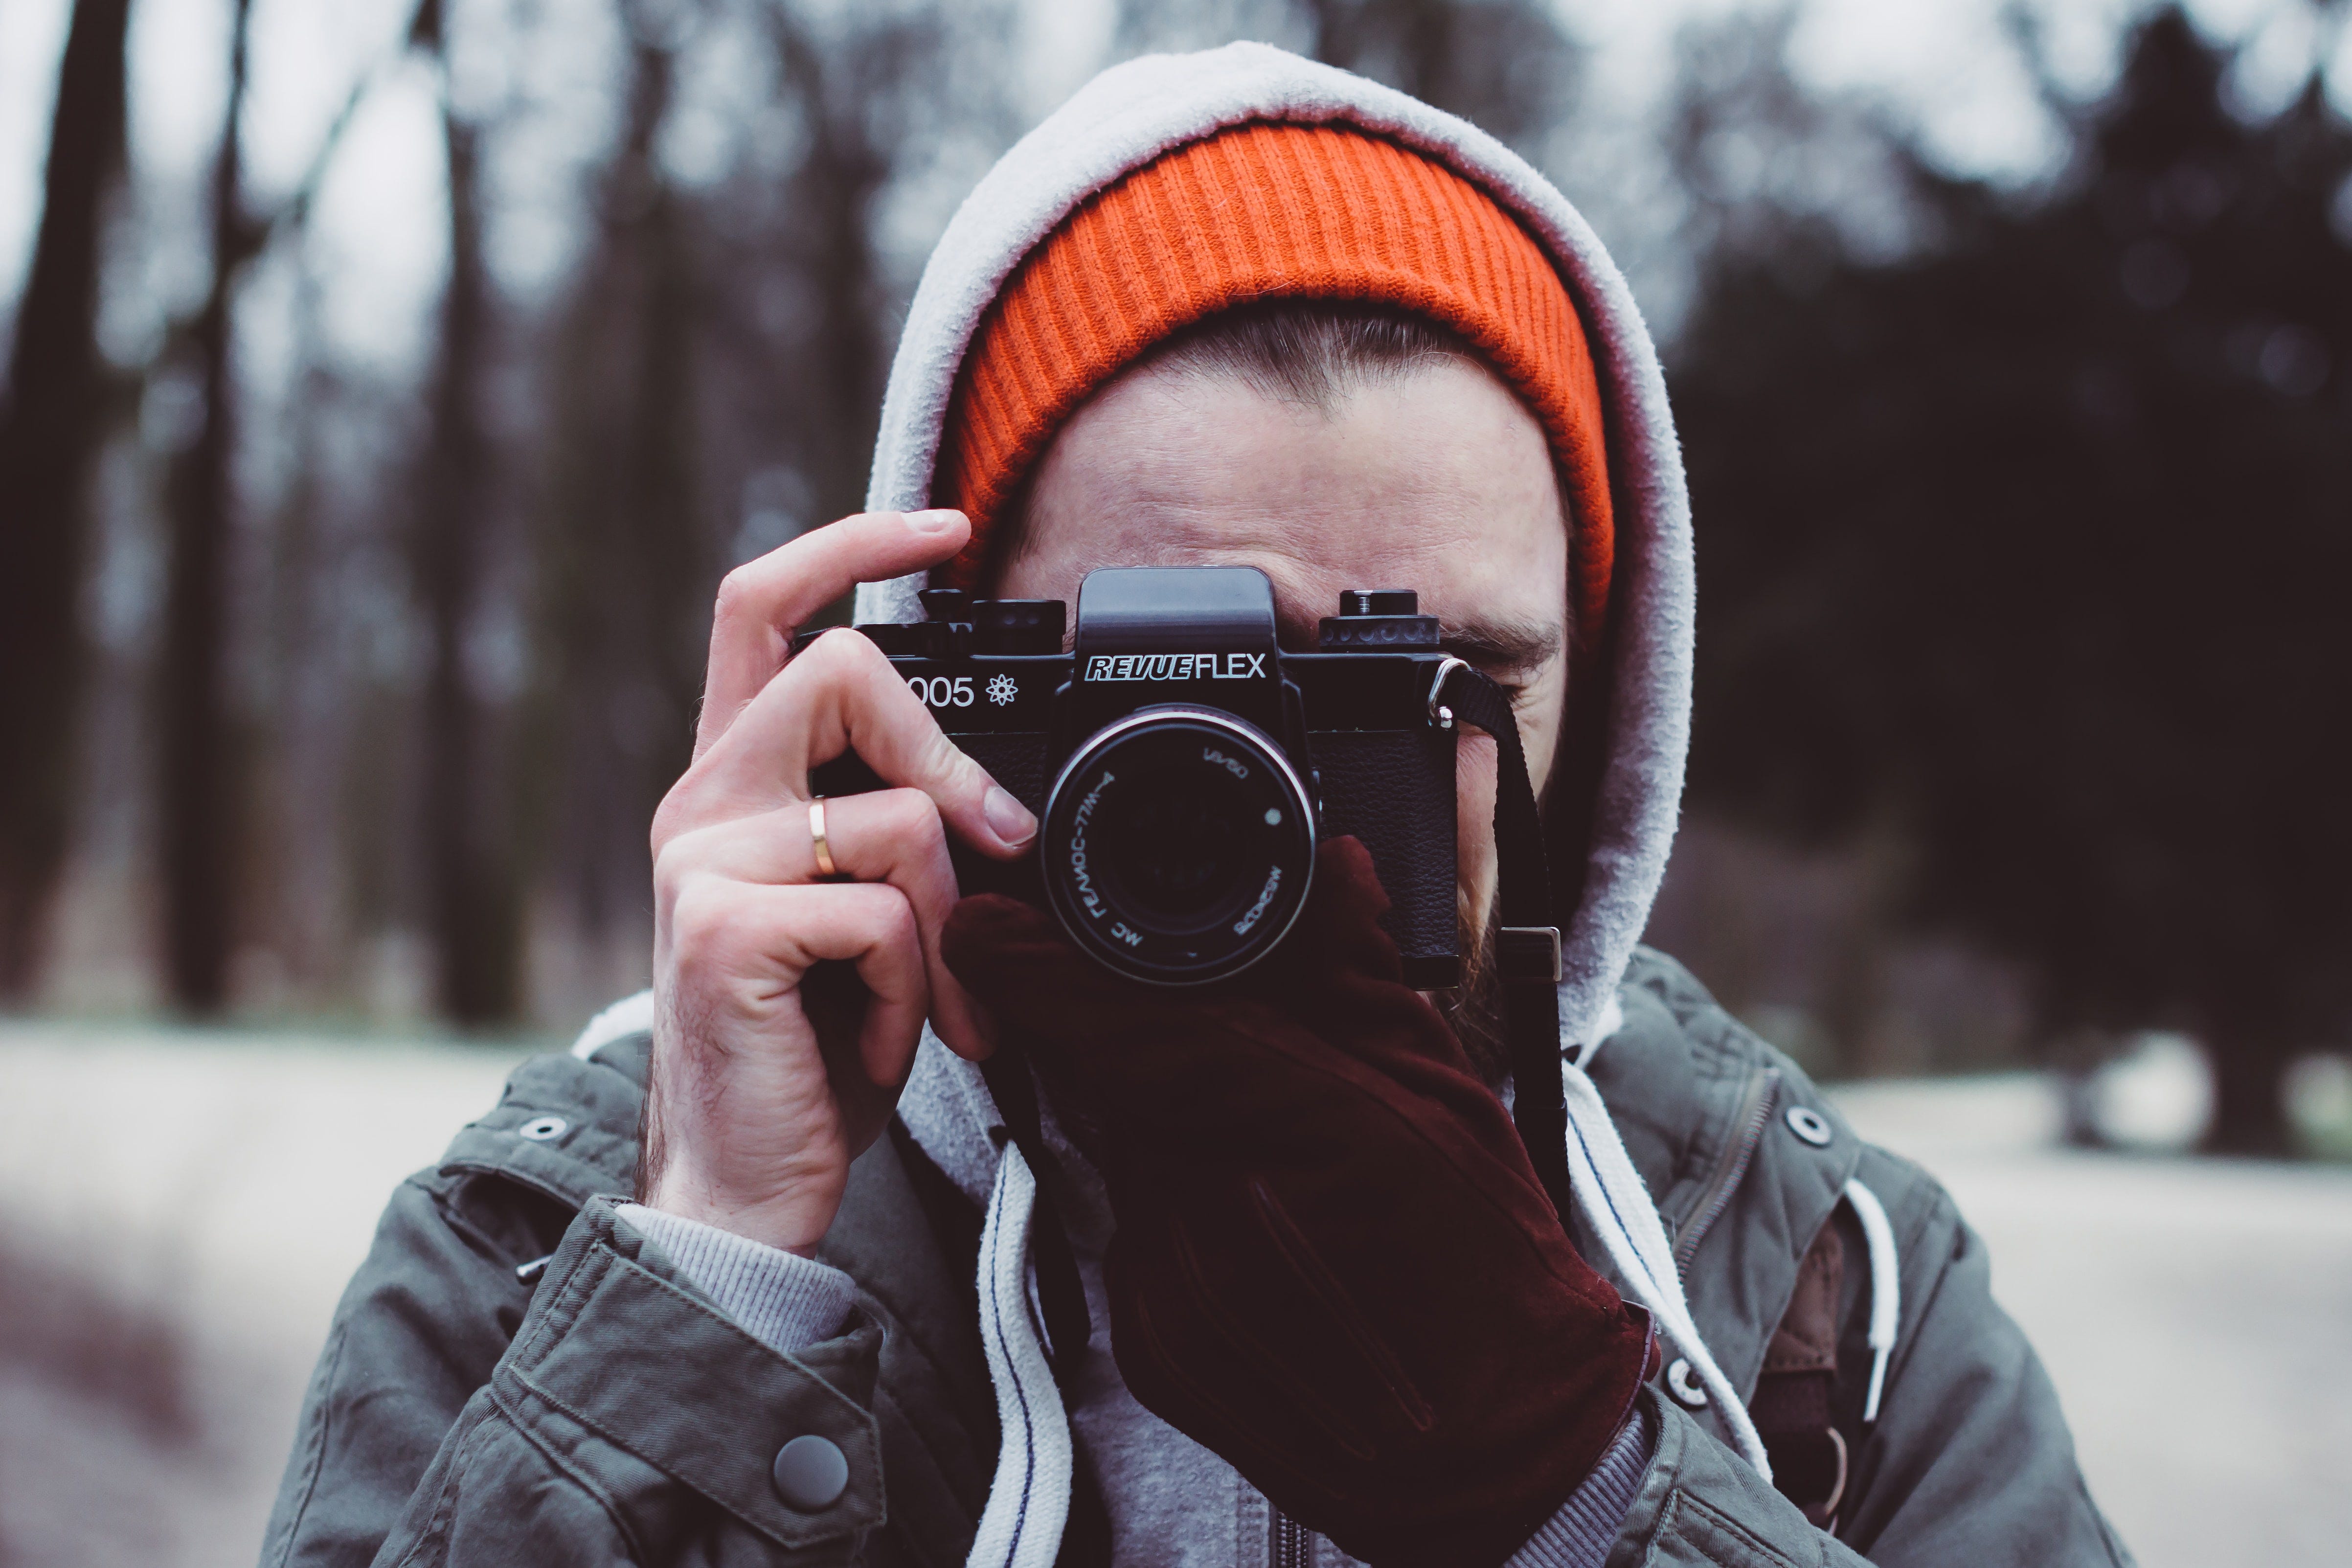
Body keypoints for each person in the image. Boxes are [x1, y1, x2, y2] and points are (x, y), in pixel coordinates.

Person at [260, 44, 2134, 1568]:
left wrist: (1570, 1493)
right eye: (1163, 691)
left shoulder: (1812, 1265)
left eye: (1420, 693)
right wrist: (715, 1283)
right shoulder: (552, 1240)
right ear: (942, 669)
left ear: (1607, 706)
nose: (1267, 812)